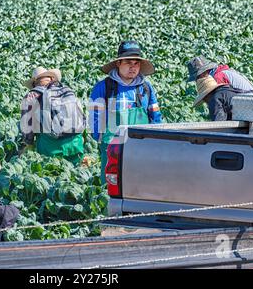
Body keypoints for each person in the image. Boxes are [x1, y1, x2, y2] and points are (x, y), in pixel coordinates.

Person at [89, 40, 162, 184]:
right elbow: (94, 118)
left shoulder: (146, 88)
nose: (133, 67)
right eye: (128, 62)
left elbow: (155, 116)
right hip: (112, 148)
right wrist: (103, 142)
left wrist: (156, 141)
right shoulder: (103, 87)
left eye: (136, 63)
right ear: (118, 63)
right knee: (110, 187)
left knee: (141, 184)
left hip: (141, 147)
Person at [20, 67, 85, 165]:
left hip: (51, 147)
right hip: (76, 143)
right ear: (51, 78)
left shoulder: (32, 95)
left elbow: (27, 127)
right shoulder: (66, 89)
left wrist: (27, 144)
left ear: (34, 82)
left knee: (53, 174)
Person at [187, 55, 253, 93]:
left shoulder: (218, 77)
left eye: (198, 77)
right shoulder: (223, 71)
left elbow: (220, 101)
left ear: (204, 72)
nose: (197, 80)